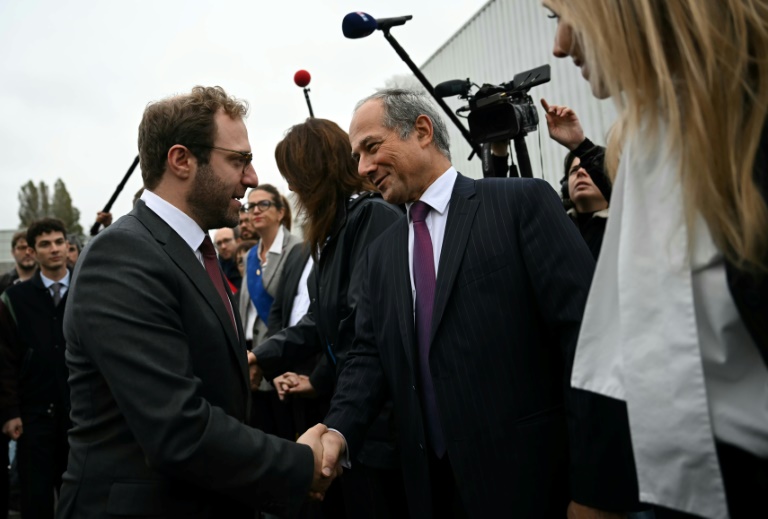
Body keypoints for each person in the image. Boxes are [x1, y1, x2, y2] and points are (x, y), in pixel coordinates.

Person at [315, 89, 598, 518]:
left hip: (535, 484)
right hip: (431, 491)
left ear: (423, 131)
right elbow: (367, 356)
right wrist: (337, 431)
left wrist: (596, 488)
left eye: (371, 147)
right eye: (356, 156)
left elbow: (587, 342)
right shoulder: (381, 252)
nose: (362, 168)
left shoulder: (520, 204)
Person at [57, 86, 335, 519]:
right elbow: (178, 429)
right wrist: (300, 465)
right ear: (181, 160)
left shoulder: (186, 251)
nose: (250, 176)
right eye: (238, 160)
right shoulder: (123, 256)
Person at [544, 1, 768, 518]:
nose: (559, 45)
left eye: (560, 17)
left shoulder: (740, 127)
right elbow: (626, 351)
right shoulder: (647, 138)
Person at [251, 117, 406, 518]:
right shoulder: (334, 230)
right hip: (356, 417)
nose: (291, 189)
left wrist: (337, 416)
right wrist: (262, 357)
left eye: (294, 176)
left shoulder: (372, 219)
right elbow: (320, 320)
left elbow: (360, 328)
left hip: (382, 422)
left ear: (314, 172)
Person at [0, 218, 71, 519]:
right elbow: (4, 359)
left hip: (81, 417)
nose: (53, 249)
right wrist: (9, 411)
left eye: (58, 242)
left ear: (68, 245)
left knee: (80, 502)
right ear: (32, 251)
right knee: (36, 502)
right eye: (45, 244)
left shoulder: (88, 290)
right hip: (33, 419)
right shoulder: (15, 299)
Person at [213, 226, 242, 291]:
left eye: (226, 241)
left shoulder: (251, 262)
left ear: (238, 241)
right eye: (219, 243)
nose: (223, 246)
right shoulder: (215, 273)